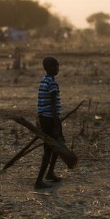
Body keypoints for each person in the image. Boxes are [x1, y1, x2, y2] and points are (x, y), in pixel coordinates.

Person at [35, 56, 64, 189]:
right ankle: (39, 180)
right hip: (50, 119)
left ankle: (50, 173)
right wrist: (56, 123)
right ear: (51, 68)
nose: (58, 68)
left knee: (57, 145)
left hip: (44, 118)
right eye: (56, 66)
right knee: (50, 148)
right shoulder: (51, 83)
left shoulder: (43, 81)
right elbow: (52, 105)